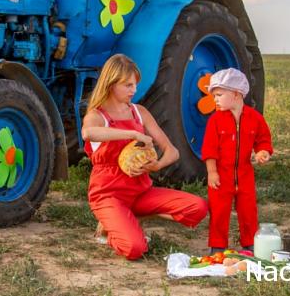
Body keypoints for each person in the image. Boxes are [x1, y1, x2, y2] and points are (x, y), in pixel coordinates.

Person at [81, 54, 208, 260]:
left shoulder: (139, 112)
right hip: (108, 195)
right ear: (111, 84)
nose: (134, 90)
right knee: (135, 248)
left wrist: (156, 166)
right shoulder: (97, 116)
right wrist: (132, 134)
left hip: (140, 192)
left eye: (135, 84)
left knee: (198, 207)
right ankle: (110, 228)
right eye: (128, 85)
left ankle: (128, 217)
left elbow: (172, 151)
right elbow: (89, 134)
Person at [201, 68, 273, 254]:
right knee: (219, 211)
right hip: (220, 174)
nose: (215, 99)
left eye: (218, 95)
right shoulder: (215, 121)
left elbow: (263, 139)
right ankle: (217, 245)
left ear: (235, 94)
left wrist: (263, 151)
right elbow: (209, 149)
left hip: (244, 173)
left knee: (248, 210)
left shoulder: (255, 118)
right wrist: (212, 172)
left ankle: (249, 242)